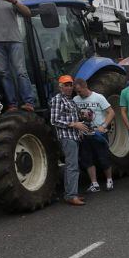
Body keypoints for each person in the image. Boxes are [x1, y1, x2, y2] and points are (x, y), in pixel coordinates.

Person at [73, 78, 115, 193]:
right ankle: (94, 183)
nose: (78, 94)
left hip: (98, 133)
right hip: (85, 134)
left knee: (103, 157)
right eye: (77, 92)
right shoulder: (75, 100)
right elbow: (76, 116)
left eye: (80, 91)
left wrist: (104, 125)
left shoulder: (98, 97)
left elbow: (111, 112)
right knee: (87, 159)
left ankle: (109, 180)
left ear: (85, 87)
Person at [50, 76, 85, 206]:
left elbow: (75, 116)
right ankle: (71, 195)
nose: (69, 87)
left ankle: (71, 193)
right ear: (60, 87)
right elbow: (54, 120)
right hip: (67, 137)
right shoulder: (58, 100)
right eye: (66, 85)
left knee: (72, 166)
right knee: (72, 166)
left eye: (70, 85)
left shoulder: (70, 101)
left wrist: (82, 116)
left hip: (74, 137)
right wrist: (74, 124)